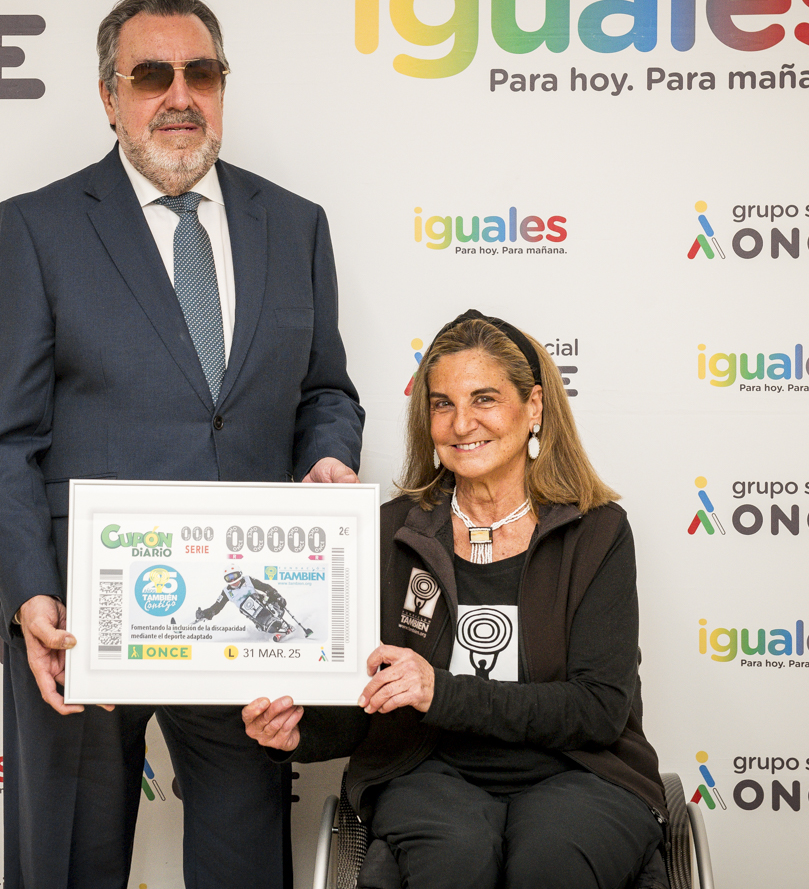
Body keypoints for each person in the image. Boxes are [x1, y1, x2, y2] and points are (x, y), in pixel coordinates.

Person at [0, 0, 365, 889]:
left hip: (245, 614)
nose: (180, 96)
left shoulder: (294, 224)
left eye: (201, 73)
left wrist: (328, 455)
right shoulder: (38, 227)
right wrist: (30, 594)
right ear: (110, 97)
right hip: (84, 615)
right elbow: (2, 445)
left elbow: (326, 390)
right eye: (151, 75)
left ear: (222, 87)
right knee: (69, 862)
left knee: (245, 863)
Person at [243, 310, 667, 889]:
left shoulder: (598, 531)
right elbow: (365, 701)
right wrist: (297, 734)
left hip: (582, 771)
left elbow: (598, 710)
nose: (462, 423)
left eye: (484, 399)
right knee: (454, 862)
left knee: (551, 864)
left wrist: (439, 691)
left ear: (534, 406)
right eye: (442, 404)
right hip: (426, 769)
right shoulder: (390, 530)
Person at [195, 569, 306, 641]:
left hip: (262, 602)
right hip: (251, 612)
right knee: (249, 606)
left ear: (239, 574)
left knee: (264, 597)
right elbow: (217, 607)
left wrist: (277, 596)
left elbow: (265, 587)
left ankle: (278, 618)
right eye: (229, 578)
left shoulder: (248, 580)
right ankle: (271, 625)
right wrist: (205, 614)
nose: (233, 580)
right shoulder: (226, 592)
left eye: (234, 576)